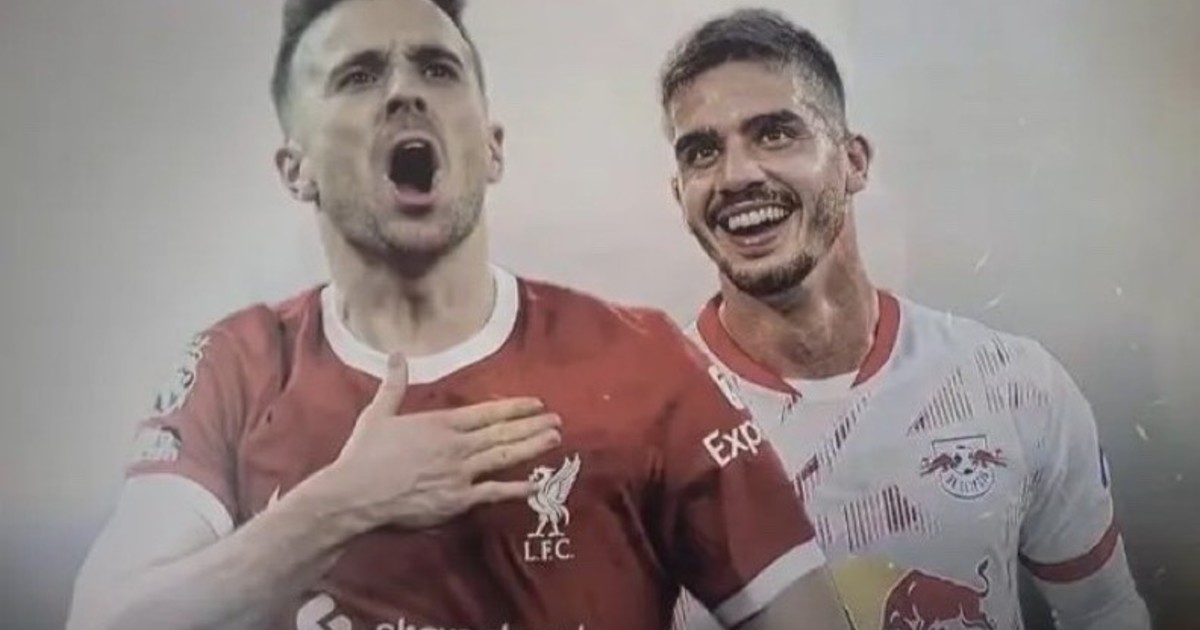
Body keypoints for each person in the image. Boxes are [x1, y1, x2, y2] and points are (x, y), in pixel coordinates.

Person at [65, 1, 853, 629]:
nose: (403, 91)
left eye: (437, 68)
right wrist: (340, 504)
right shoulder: (238, 365)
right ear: (295, 168)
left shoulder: (643, 360)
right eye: (358, 76)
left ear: (493, 145)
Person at [660, 9, 1151, 630]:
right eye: (702, 152)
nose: (736, 175)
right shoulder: (635, 433)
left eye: (775, 133)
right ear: (680, 195)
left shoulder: (1014, 384)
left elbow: (1103, 609)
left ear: (854, 162)